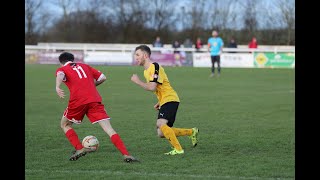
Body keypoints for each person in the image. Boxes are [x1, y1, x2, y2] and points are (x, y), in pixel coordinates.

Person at [55, 52, 139, 162]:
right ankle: (126, 154)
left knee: (65, 124)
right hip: (94, 99)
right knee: (109, 129)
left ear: (61, 62)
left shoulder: (63, 69)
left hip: (78, 101)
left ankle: (79, 149)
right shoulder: (85, 66)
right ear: (73, 59)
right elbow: (103, 77)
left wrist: (57, 86)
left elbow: (60, 75)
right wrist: (89, 86)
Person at [130, 45, 199, 155]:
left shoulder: (155, 66)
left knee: (161, 123)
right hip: (165, 100)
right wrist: (160, 101)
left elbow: (152, 87)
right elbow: (158, 87)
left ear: (145, 55)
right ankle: (191, 132)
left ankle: (178, 149)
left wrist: (138, 81)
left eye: (137, 55)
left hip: (170, 98)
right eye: (135, 55)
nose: (136, 57)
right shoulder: (145, 71)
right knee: (161, 133)